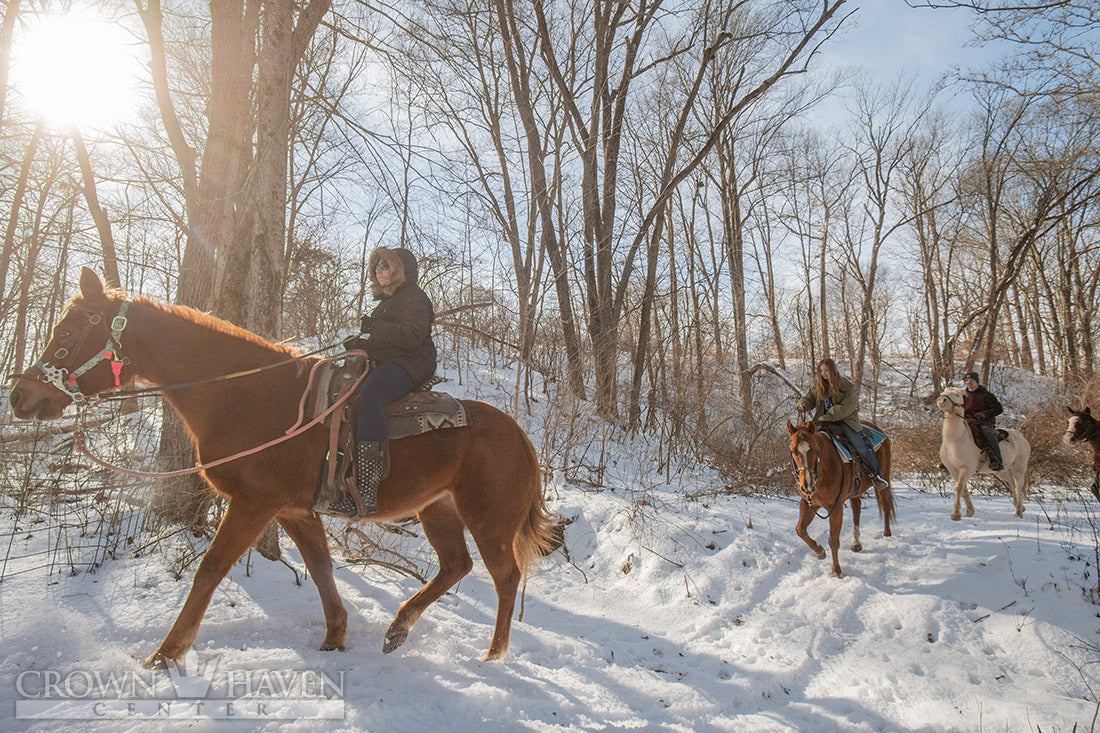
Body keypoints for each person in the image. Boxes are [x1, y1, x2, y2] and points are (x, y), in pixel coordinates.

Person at [333, 246, 437, 516]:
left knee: (372, 393)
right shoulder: (386, 304)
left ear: (400, 270)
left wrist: (375, 329)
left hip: (413, 362)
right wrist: (358, 344)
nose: (378, 270)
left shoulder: (414, 297)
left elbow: (413, 336)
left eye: (385, 265)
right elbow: (383, 340)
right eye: (376, 265)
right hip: (392, 360)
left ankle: (368, 489)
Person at [796, 358, 889, 489]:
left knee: (860, 446)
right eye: (821, 371)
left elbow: (847, 406)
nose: (824, 374)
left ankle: (876, 475)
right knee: (808, 447)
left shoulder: (846, 385)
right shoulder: (818, 387)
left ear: (832, 370)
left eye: (827, 370)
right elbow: (810, 398)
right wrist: (803, 404)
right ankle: (811, 477)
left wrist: (828, 416)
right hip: (823, 422)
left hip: (845, 421)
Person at [963, 370, 1004, 471]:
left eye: (971, 380)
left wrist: (984, 414)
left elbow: (998, 409)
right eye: (967, 380)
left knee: (988, 432)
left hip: (984, 422)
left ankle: (996, 460)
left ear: (976, 381)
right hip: (967, 421)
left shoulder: (986, 395)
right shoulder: (962, 395)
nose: (969, 382)